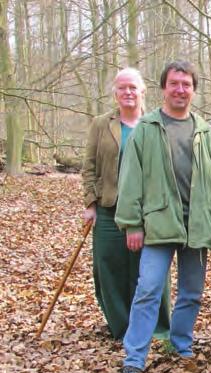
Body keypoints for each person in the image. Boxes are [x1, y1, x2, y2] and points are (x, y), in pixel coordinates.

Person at [116, 61, 211, 373]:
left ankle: (180, 346)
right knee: (149, 288)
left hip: (197, 223)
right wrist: (132, 223)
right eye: (174, 84)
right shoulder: (147, 128)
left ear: (194, 90)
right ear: (164, 88)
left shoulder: (205, 132)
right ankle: (135, 358)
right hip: (158, 224)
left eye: (186, 84)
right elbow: (130, 179)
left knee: (192, 292)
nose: (180, 90)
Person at [81, 68, 173, 341]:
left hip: (149, 213)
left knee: (151, 270)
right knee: (108, 267)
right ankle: (122, 327)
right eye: (122, 88)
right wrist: (90, 202)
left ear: (143, 91)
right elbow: (89, 167)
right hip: (109, 208)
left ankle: (157, 329)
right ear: (115, 93)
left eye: (133, 87)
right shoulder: (101, 124)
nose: (128, 93)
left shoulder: (156, 124)